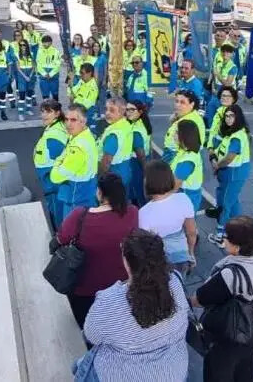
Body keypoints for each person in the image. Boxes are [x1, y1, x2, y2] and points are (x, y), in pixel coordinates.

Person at [74, 229, 189, 382]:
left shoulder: (109, 300)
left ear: (127, 264)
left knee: (84, 362)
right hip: (174, 372)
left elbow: (91, 336)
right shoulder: (176, 281)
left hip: (122, 375)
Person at [193, 217, 253, 382]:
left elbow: (201, 299)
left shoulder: (230, 274)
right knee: (246, 367)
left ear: (237, 247)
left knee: (219, 372)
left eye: (227, 237)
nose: (224, 239)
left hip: (234, 331)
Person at [58, 173, 138, 329]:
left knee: (86, 327)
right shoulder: (132, 212)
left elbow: (61, 239)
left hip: (85, 290)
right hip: (120, 287)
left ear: (100, 193)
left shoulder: (79, 216)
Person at [138, 161, 197, 273]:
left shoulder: (143, 213)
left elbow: (144, 245)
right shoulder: (183, 199)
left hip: (158, 261)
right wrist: (191, 253)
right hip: (181, 256)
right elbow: (191, 232)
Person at [207, 104, 251, 247]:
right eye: (226, 116)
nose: (228, 119)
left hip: (232, 174)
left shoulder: (236, 137)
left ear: (238, 117)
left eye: (232, 116)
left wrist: (217, 165)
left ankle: (221, 236)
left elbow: (229, 158)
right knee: (232, 202)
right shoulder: (234, 132)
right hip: (232, 173)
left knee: (225, 204)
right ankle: (240, 228)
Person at [50, 103, 99, 222]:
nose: (68, 124)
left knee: (71, 229)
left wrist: (57, 163)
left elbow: (55, 177)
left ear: (83, 121)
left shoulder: (78, 147)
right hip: (86, 194)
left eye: (73, 120)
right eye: (66, 119)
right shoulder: (84, 135)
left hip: (75, 199)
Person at [34, 100, 69, 227]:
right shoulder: (56, 126)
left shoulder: (54, 136)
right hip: (52, 180)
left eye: (48, 112)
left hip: (52, 183)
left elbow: (62, 161)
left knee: (57, 213)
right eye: (42, 111)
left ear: (57, 113)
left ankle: (60, 235)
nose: (44, 115)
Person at [162, 89, 206, 162]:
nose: (177, 105)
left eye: (182, 102)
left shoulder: (189, 122)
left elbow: (188, 146)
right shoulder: (187, 115)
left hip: (177, 156)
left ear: (192, 104)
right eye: (176, 101)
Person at [99, 98, 134, 187]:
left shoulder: (114, 134)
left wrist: (99, 180)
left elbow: (106, 162)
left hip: (112, 178)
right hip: (124, 173)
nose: (107, 113)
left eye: (112, 110)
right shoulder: (126, 125)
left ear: (122, 111)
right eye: (106, 109)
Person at [170, 120, 204, 212]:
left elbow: (176, 184)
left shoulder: (187, 161)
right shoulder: (187, 151)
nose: (173, 135)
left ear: (185, 135)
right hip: (188, 195)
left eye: (176, 132)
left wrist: (163, 200)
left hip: (185, 196)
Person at [126, 100, 152, 207]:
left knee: (138, 193)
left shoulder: (136, 131)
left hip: (137, 164)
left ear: (140, 112)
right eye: (127, 109)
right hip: (145, 160)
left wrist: (146, 173)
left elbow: (140, 154)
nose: (128, 112)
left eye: (132, 110)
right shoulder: (143, 123)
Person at [207, 45, 238, 124]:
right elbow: (214, 78)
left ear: (232, 54)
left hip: (226, 96)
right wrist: (213, 88)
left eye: (228, 52)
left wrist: (218, 74)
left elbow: (227, 84)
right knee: (210, 114)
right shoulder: (218, 64)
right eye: (223, 51)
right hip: (215, 94)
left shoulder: (233, 67)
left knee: (223, 118)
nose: (225, 53)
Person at [70, 63, 99, 129]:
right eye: (80, 73)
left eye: (82, 73)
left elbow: (87, 104)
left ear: (89, 73)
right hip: (78, 111)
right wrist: (70, 84)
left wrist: (74, 100)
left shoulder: (93, 87)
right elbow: (73, 92)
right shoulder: (81, 81)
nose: (80, 75)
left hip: (87, 114)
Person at [13, 40, 36, 121]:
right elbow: (18, 68)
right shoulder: (17, 55)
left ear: (27, 46)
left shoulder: (31, 54)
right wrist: (25, 77)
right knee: (22, 95)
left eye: (24, 45)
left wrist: (30, 75)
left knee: (29, 93)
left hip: (30, 75)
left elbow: (34, 66)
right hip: (22, 75)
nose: (22, 46)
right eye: (21, 45)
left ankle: (28, 109)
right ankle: (21, 113)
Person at [36, 35, 61, 102]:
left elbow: (58, 65)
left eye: (46, 42)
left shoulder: (56, 51)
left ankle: (56, 108)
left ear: (50, 43)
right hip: (43, 77)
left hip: (54, 77)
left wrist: (50, 74)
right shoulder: (40, 51)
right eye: (43, 42)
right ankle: (46, 108)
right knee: (45, 97)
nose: (44, 44)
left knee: (55, 96)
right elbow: (38, 64)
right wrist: (44, 74)